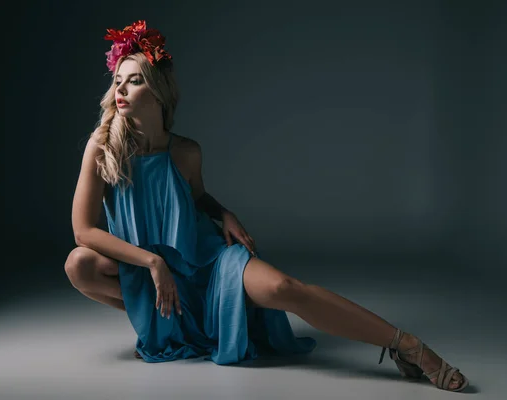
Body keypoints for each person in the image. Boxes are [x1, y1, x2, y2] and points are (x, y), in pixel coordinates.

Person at [64, 20, 469, 392]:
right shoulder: (103, 147)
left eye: (133, 82)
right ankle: (166, 325)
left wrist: (223, 213)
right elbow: (84, 231)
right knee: (78, 264)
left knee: (284, 288)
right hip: (149, 268)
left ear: (158, 91)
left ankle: (407, 345)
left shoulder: (186, 152)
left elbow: (195, 199)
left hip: (202, 260)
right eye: (118, 81)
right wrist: (153, 263)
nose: (120, 90)